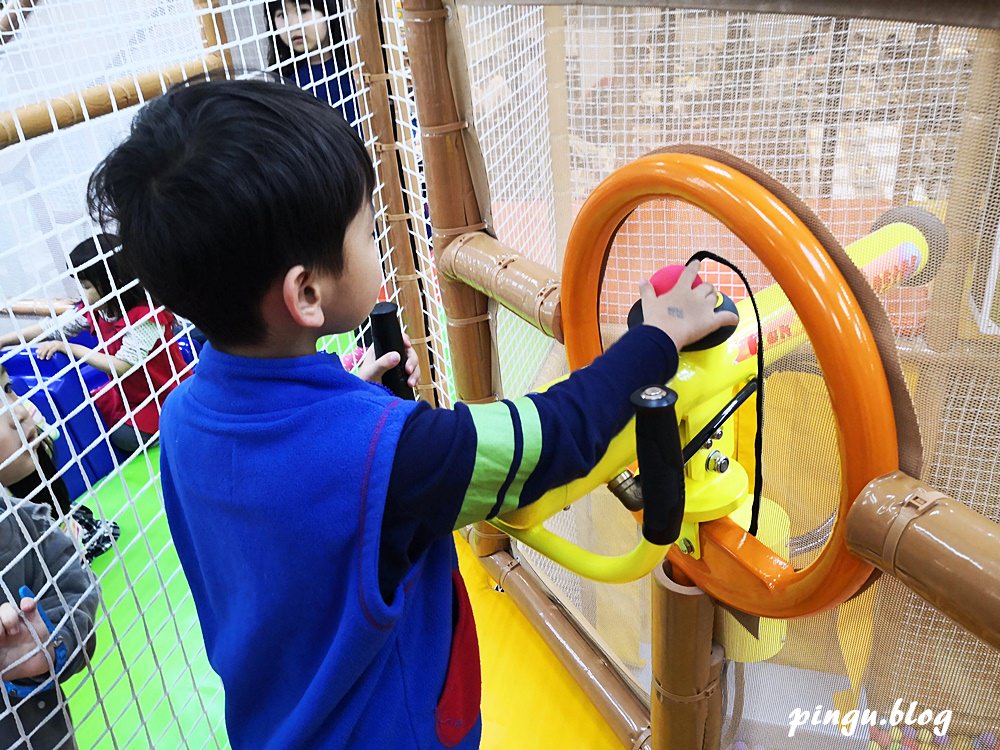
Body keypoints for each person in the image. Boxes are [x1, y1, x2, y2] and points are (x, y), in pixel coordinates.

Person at [86, 78, 736, 749]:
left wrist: (351, 406)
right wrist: (657, 337)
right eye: (369, 232)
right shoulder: (389, 455)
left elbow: (292, 499)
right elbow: (553, 438)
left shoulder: (186, 416)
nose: (379, 246)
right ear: (307, 293)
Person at [0, 235, 190, 455]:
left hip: (163, 395)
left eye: (87, 286)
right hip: (131, 395)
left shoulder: (144, 317)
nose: (81, 292)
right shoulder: (100, 309)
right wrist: (5, 339)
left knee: (122, 437)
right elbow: (52, 327)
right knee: (94, 407)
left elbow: (123, 365)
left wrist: (69, 348)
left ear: (113, 282)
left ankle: (174, 429)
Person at [0, 400, 100, 749]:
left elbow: (79, 596)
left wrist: (51, 639)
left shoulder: (28, 522)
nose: (21, 411)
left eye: (8, 389)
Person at [0, 365, 119, 562]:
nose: (19, 413)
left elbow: (51, 434)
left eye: (8, 389)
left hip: (57, 518)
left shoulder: (27, 422)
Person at [267, 0, 358, 127]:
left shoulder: (359, 69)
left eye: (303, 10)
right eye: (282, 15)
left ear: (329, 11)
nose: (292, 25)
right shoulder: (285, 84)